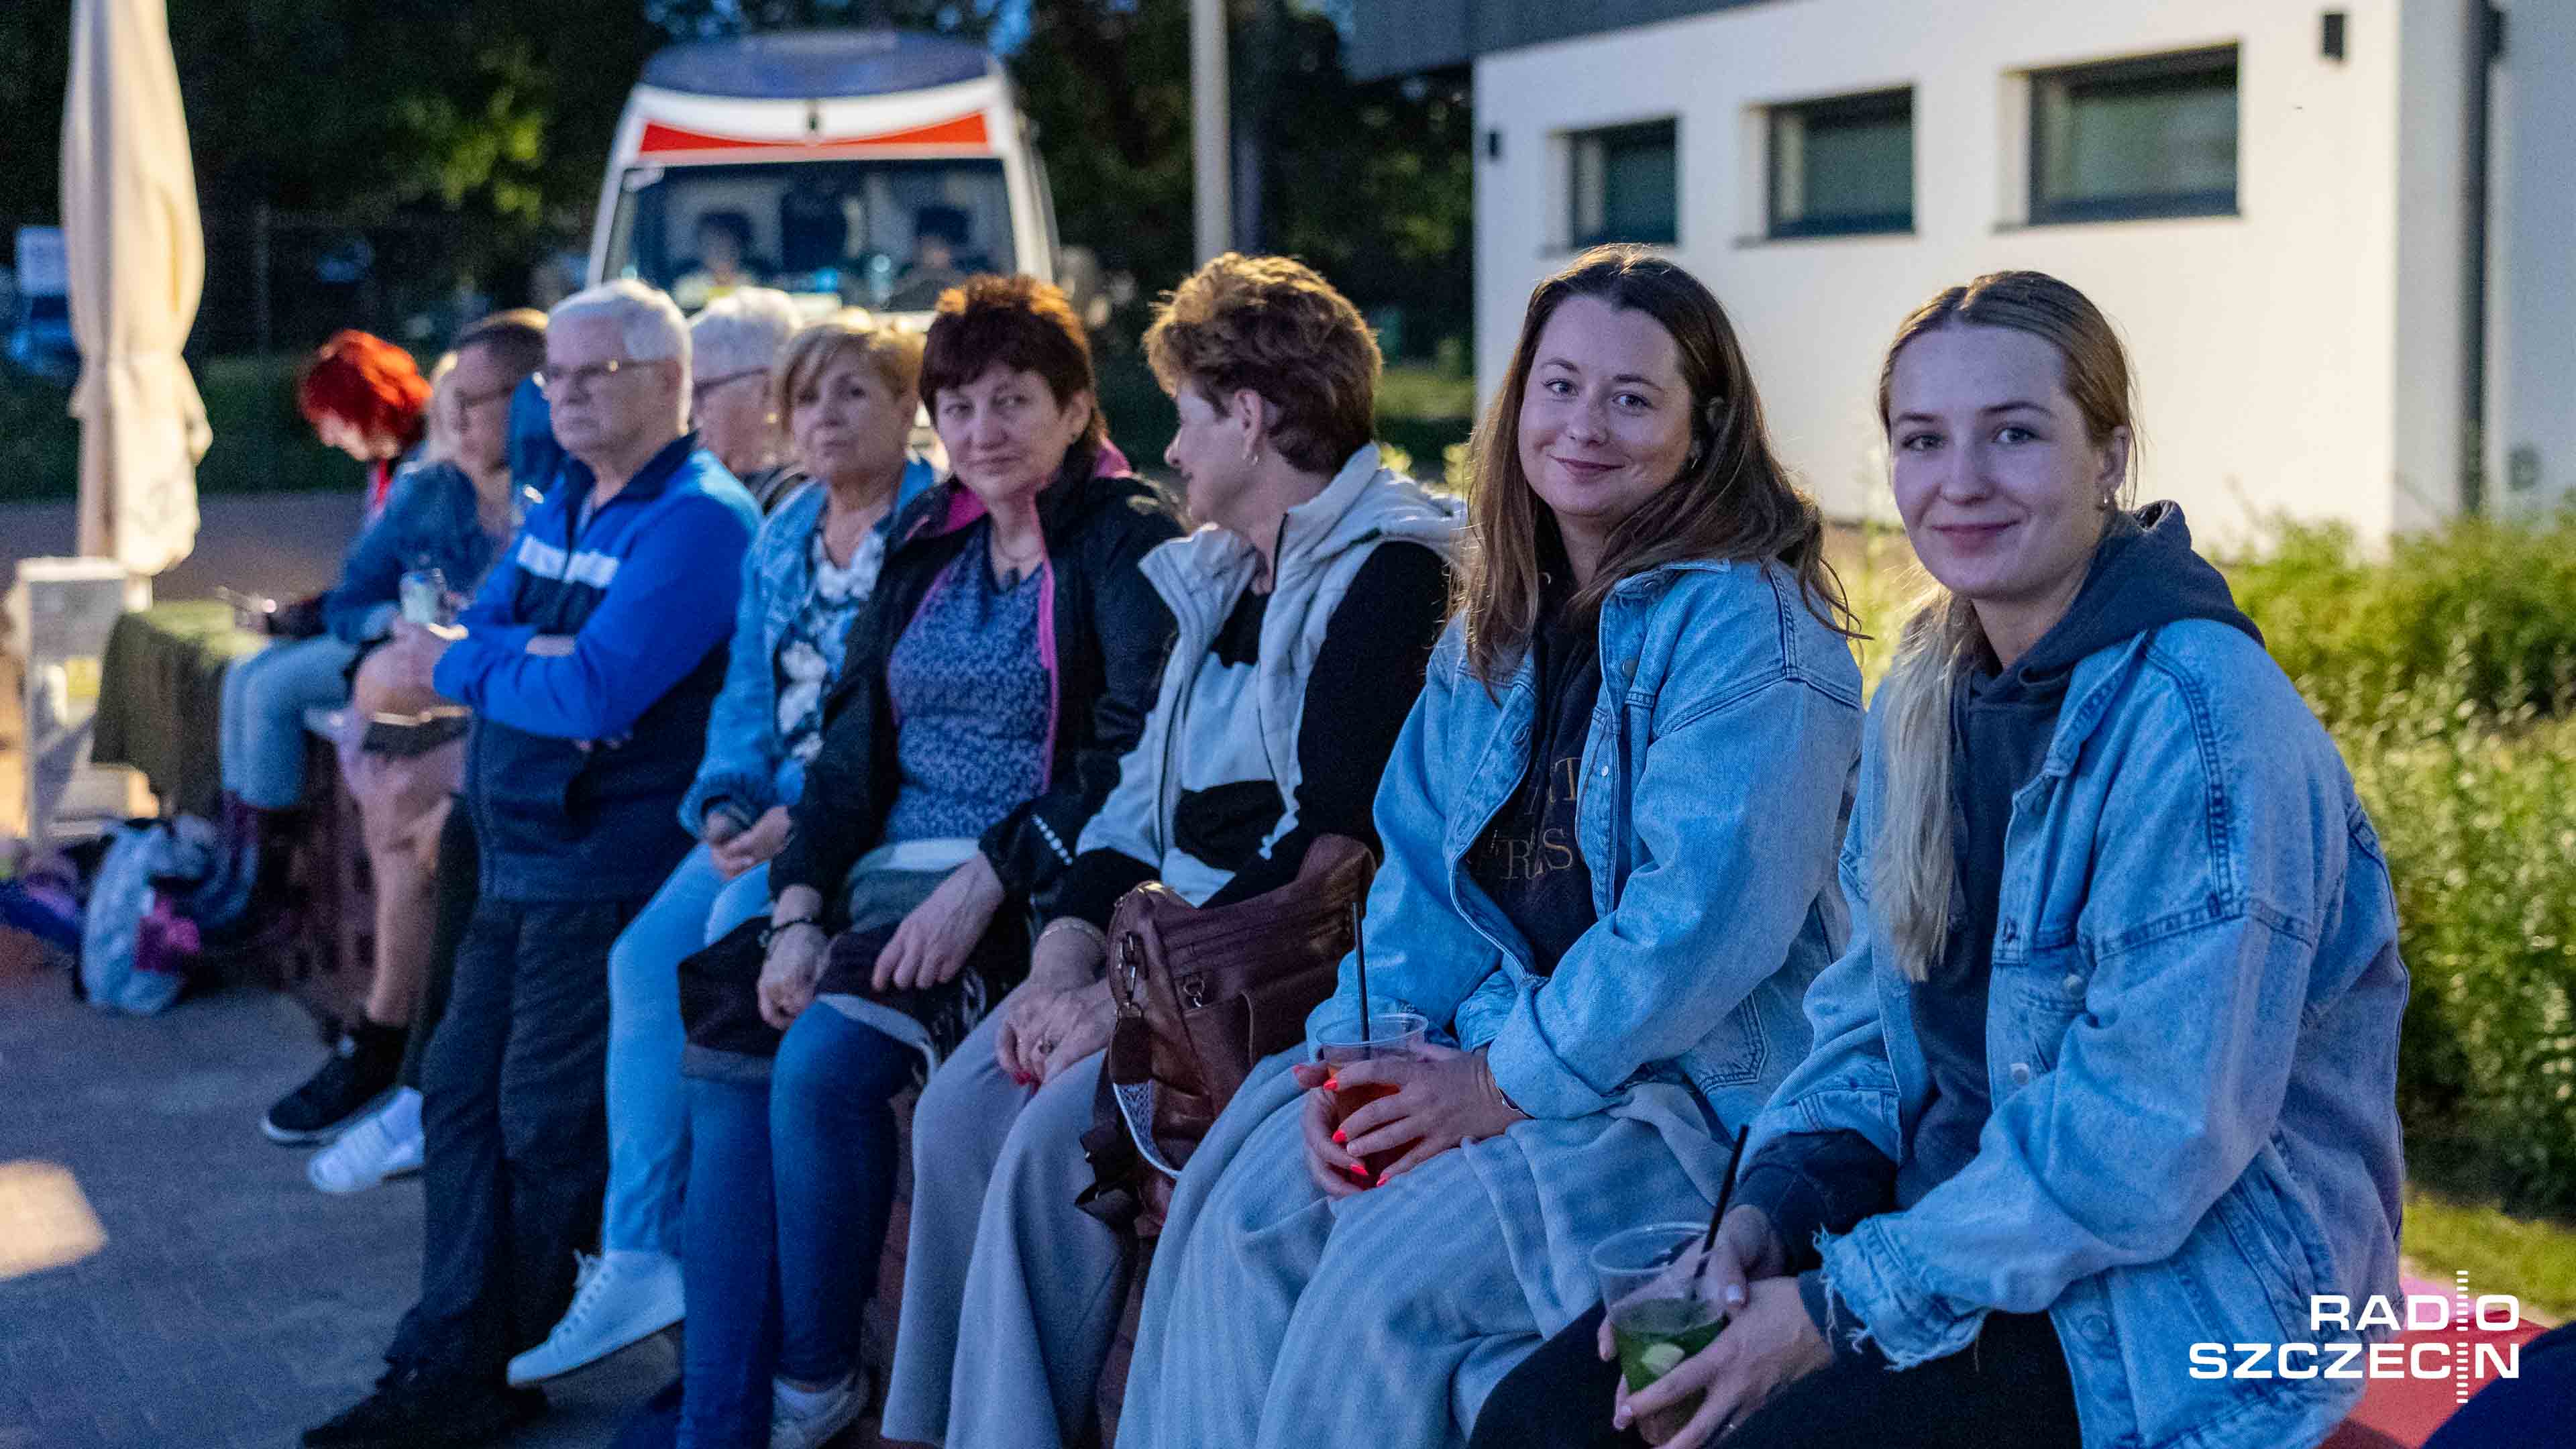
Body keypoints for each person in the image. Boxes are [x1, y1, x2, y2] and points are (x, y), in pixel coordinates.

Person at [1475, 272, 2407, 1449]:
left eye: (2014, 434)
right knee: (1544, 1420)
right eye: (1923, 440)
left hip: (2172, 1299)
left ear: (2110, 455)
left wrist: (1838, 1308)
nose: (1959, 481)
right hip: (1950, 1233)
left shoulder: (2206, 728)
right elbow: (1866, 1025)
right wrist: (1771, 1213)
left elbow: (2146, 1139)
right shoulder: (1928, 687)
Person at [1112, 245, 1865, 1449]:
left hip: (1676, 1096)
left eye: (1633, 398)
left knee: (1380, 1284)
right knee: (1243, 1210)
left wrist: (1495, 1087)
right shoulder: (1496, 630)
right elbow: (1412, 888)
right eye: (1560, 386)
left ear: (1704, 430)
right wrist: (1354, 1066)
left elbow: (1697, 932)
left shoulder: (1751, 633)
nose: (1585, 425)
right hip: (1491, 1056)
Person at [881, 253, 1464, 1449]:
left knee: (1049, 1148)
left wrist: (1125, 1000)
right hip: (1156, 949)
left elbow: (1333, 848)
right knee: (954, 1112)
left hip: (1262, 973)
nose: (1174, 450)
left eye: (1187, 416)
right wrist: (1061, 963)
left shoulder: (1394, 573)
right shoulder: (1215, 577)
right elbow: (1130, 810)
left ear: (1248, 417)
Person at [672, 274, 1179, 1449]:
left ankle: (814, 1388)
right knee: (726, 1033)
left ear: (1074, 408)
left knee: (822, 1067)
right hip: (880, 879)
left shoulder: (1124, 538)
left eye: (1013, 402)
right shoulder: (928, 539)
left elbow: (1132, 746)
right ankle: (717, 1404)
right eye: (958, 407)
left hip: (1023, 890)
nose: (982, 431)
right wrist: (798, 906)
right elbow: (849, 749)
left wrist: (995, 871)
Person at [303, 280, 759, 1448]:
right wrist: (528, 660)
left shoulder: (699, 520)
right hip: (517, 855)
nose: (564, 395)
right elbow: (478, 638)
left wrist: (500, 663)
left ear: (670, 381)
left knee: (542, 1126)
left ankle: (475, 1369)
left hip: (602, 861)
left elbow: (595, 689)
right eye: (555, 376)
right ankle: (448, 1351)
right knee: (458, 1100)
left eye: (595, 374)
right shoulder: (563, 504)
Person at [504, 310, 937, 1387]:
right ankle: (640, 1250)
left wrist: (799, 815)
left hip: (865, 819)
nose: (826, 418)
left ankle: (749, 1317)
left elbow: (902, 716)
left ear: (906, 409)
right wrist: (726, 799)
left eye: (855, 393)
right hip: (768, 811)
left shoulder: (934, 527)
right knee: (645, 959)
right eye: (808, 398)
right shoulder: (787, 530)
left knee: (734, 946)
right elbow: (746, 689)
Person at [259, 310, 548, 1147]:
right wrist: (394, 624)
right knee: (393, 774)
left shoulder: (564, 503)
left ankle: (398, 1047)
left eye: (474, 400)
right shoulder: (428, 492)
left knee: (417, 818)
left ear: (533, 399)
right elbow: (350, 603)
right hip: (451, 719)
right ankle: (403, 1050)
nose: (452, 417)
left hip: (533, 729)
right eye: (450, 399)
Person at [214, 331, 436, 932]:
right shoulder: (388, 465)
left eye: (330, 420)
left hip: (397, 638)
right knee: (241, 675)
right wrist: (308, 612)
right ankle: (236, 858)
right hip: (368, 623)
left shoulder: (426, 469)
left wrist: (320, 614)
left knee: (272, 690)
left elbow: (404, 581)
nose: (326, 437)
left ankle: (269, 883)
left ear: (366, 406)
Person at [688, 288, 808, 512]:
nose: (692, 410)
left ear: (770, 390)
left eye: (702, 391)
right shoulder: (706, 485)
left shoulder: (803, 503)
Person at [671, 211, 769, 312]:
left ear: (741, 247)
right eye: (712, 245)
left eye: (728, 245)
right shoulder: (687, 287)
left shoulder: (757, 286)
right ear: (701, 249)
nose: (720, 252)